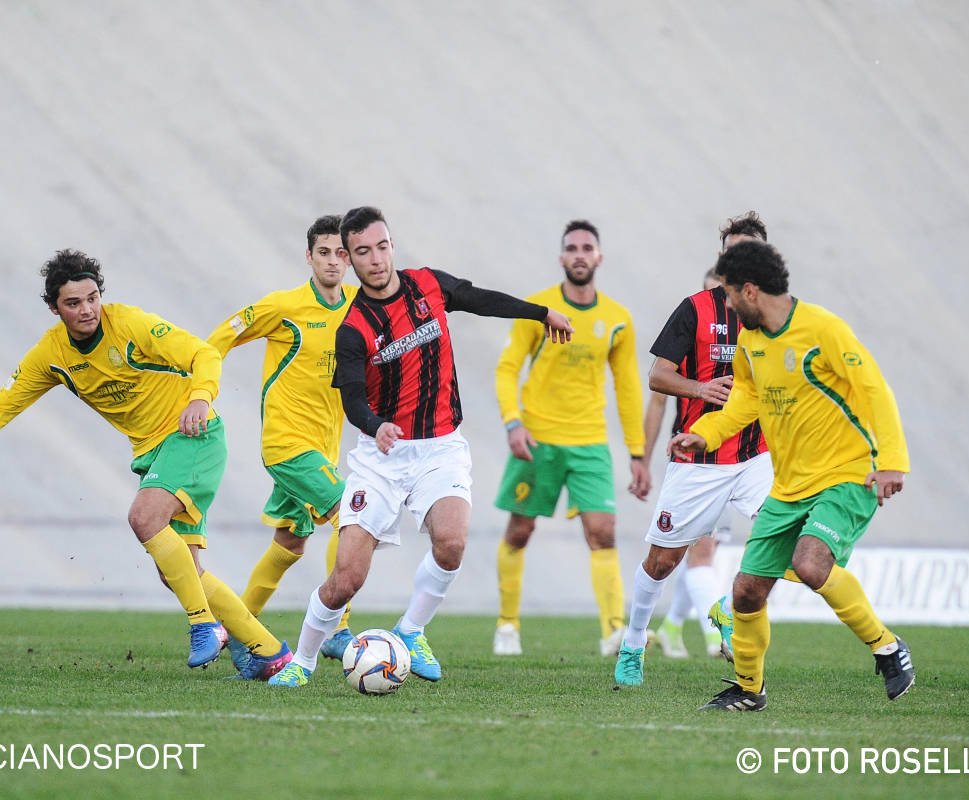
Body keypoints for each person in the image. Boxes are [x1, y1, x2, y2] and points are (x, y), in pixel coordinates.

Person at [0, 249, 291, 678]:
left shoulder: (130, 324)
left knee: (144, 517)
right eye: (73, 303)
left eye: (91, 298)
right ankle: (268, 652)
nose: (86, 310)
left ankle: (204, 627)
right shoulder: (52, 354)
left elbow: (203, 354)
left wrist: (200, 397)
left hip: (193, 436)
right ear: (54, 308)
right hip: (153, 454)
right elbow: (6, 402)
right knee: (182, 572)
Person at [268, 206, 573, 687]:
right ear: (348, 258)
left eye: (382, 246)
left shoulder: (427, 285)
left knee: (451, 543)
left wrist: (540, 312)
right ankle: (302, 663)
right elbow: (350, 396)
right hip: (381, 459)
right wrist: (376, 424)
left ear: (392, 244)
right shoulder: (353, 329)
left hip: (441, 447)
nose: (376, 259)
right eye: (363, 252)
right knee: (348, 578)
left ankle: (410, 631)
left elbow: (477, 298)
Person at [670, 239, 913, 710]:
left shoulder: (824, 329)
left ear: (750, 290)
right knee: (745, 590)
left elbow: (874, 389)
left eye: (729, 295)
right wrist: (706, 433)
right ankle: (748, 689)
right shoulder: (751, 342)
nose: (726, 305)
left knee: (811, 563)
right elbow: (747, 398)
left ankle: (887, 648)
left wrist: (892, 461)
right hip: (788, 486)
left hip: (847, 475)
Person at [613, 215, 773, 686]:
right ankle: (634, 643)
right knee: (662, 562)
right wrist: (702, 390)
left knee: (786, 532)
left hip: (756, 457)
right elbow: (658, 377)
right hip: (697, 459)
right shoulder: (695, 309)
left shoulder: (779, 316)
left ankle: (732, 612)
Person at [209, 215, 360, 675]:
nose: (333, 261)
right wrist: (199, 391)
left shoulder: (360, 305)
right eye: (324, 252)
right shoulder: (284, 306)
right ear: (309, 256)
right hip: (287, 445)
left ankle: (239, 631)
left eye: (341, 253)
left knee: (288, 545)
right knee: (352, 517)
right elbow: (220, 338)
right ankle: (336, 628)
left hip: (324, 449)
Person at [491, 219, 649, 658]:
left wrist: (637, 453)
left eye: (587, 247)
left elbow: (628, 386)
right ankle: (507, 625)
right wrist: (512, 422)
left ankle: (614, 630)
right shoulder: (536, 308)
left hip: (590, 442)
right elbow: (507, 368)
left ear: (599, 257)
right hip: (537, 438)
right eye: (572, 248)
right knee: (520, 531)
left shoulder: (617, 318)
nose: (579, 254)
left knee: (603, 532)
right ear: (562, 258)